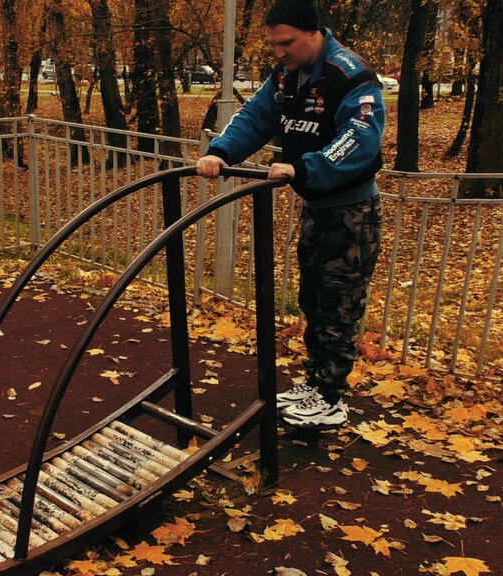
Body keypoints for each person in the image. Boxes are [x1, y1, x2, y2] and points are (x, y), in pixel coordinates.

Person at [195, 0, 384, 430]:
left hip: (351, 211)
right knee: (314, 299)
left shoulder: (350, 75)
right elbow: (256, 116)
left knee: (339, 303)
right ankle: (317, 381)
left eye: (287, 42)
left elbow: (361, 138)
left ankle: (331, 396)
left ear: (314, 32)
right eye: (274, 44)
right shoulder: (287, 75)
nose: (279, 51)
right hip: (318, 206)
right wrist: (221, 152)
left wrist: (305, 167)